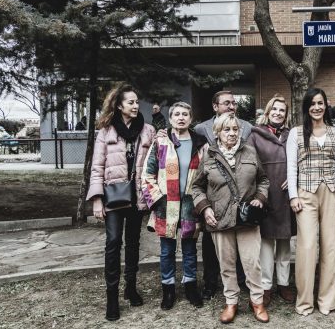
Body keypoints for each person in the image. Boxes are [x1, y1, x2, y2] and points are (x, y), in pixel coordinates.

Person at [192, 112, 270, 324]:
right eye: (226, 129)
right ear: (217, 132)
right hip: (219, 218)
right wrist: (205, 208)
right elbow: (197, 186)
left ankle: (257, 301)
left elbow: (263, 180)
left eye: (235, 129)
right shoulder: (209, 155)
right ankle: (231, 302)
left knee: (252, 263)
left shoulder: (250, 152)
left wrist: (260, 198)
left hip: (247, 219)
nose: (232, 133)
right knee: (226, 265)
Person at [86, 84, 155, 321]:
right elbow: (97, 167)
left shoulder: (148, 131)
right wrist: (97, 200)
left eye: (137, 102)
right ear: (119, 105)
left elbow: (154, 163)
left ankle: (131, 287)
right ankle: (112, 297)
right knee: (113, 242)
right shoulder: (106, 131)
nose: (136, 106)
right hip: (113, 198)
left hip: (137, 198)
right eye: (131, 102)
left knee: (133, 243)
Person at [286, 88, 335, 316]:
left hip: (332, 191)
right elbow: (291, 166)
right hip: (306, 193)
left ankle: (327, 301)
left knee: (331, 247)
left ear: (326, 105)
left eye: (320, 103)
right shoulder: (296, 133)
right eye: (312, 103)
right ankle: (304, 302)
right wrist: (293, 195)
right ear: (307, 106)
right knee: (307, 247)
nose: (316, 107)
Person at [141, 102, 208, 310]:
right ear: (170, 119)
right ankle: (168, 289)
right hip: (166, 205)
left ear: (190, 118)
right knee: (166, 250)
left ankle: (190, 286)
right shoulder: (161, 142)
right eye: (176, 114)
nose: (181, 117)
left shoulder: (201, 144)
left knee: (190, 249)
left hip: (191, 205)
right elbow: (147, 174)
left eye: (185, 114)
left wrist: (203, 202)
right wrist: (157, 200)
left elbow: (207, 175)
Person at [193, 90, 252, 299]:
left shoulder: (246, 127)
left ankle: (241, 281)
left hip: (238, 196)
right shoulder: (200, 129)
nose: (232, 106)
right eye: (227, 103)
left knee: (238, 240)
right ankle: (210, 283)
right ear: (215, 106)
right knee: (211, 245)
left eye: (234, 103)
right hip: (213, 197)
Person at [246, 95, 296, 306]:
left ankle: (284, 284)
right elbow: (249, 163)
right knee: (266, 244)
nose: (277, 113)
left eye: (282, 110)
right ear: (268, 111)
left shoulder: (291, 135)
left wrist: (294, 178)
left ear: (286, 115)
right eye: (274, 109)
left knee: (285, 243)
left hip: (286, 195)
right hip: (266, 194)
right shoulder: (255, 134)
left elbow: (300, 159)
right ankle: (265, 286)